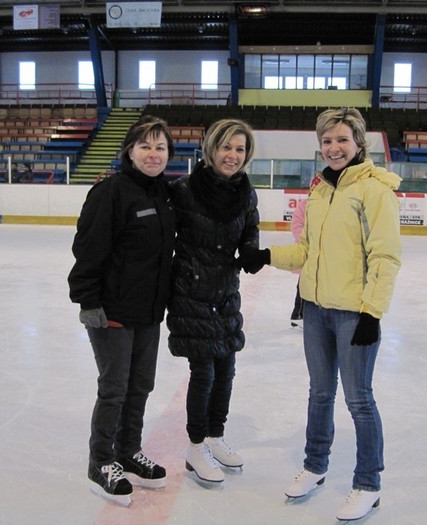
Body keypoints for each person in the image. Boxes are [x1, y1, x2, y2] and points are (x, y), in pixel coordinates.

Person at [237, 108, 402, 522]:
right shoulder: (321, 191)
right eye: (327, 141)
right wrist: (267, 256)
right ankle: (315, 466)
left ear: (359, 142)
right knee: (320, 393)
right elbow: (307, 252)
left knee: (359, 400)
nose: (334, 148)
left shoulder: (375, 190)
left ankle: (368, 484)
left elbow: (385, 257)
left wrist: (372, 313)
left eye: (342, 139)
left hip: (354, 314)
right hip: (316, 310)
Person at [67, 116, 176, 506]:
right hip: (111, 309)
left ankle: (128, 451)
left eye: (160, 147)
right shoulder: (110, 192)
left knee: (141, 385)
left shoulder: (164, 194)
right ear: (129, 151)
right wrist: (87, 301)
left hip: (149, 311)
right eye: (145, 146)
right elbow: (88, 248)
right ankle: (101, 461)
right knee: (114, 389)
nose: (153, 154)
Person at [166, 118, 259, 485]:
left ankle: (214, 436)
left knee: (226, 368)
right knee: (203, 371)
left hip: (226, 292)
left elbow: (250, 230)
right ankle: (195, 446)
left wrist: (250, 251)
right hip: (192, 293)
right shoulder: (184, 190)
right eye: (226, 147)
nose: (232, 155)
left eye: (239, 149)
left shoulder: (246, 192)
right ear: (211, 148)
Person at [289, 175, 320, 328]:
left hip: (323, 255)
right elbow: (296, 226)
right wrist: (307, 241)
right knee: (303, 285)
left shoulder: (330, 206)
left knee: (319, 286)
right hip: (306, 253)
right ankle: (298, 315)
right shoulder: (304, 206)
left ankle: (316, 317)